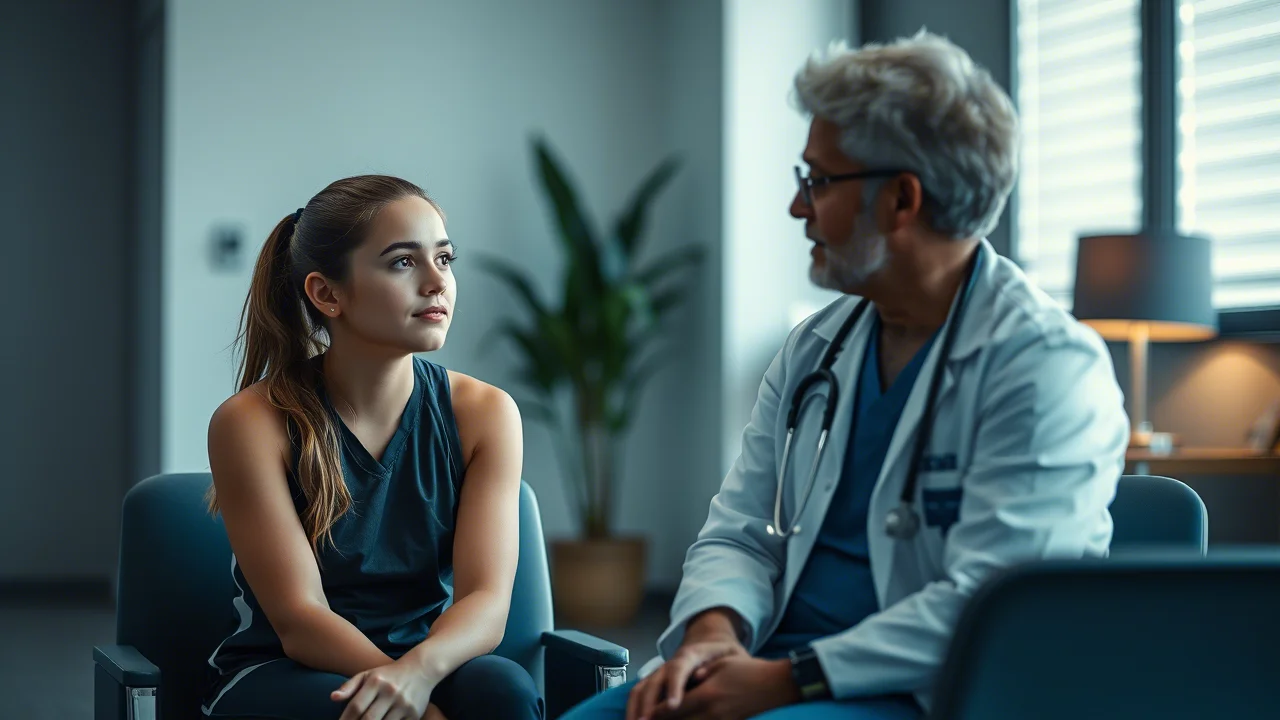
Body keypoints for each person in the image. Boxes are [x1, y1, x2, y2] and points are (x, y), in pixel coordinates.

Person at [562, 31, 1128, 720]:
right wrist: (712, 635)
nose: (799, 208)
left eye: (819, 181)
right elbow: (740, 527)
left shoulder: (1048, 369)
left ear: (900, 200)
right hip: (769, 664)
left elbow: (994, 603)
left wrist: (785, 682)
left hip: (920, 690)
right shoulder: (817, 351)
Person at [199, 175, 543, 720]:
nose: (437, 283)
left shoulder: (487, 414)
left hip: (424, 659)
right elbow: (299, 619)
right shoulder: (250, 422)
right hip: (285, 669)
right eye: (403, 262)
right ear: (327, 294)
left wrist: (416, 674)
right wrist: (414, 709)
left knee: (503, 692)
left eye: (446, 259)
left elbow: (486, 602)